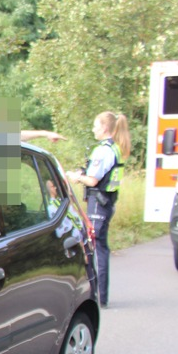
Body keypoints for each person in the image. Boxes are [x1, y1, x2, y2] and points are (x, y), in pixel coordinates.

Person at [66, 112, 130, 307]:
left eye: (95, 126)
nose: (93, 129)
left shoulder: (103, 151)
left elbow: (93, 180)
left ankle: (95, 295)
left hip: (98, 205)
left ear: (104, 128)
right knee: (100, 247)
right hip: (106, 203)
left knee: (94, 248)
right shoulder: (115, 148)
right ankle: (101, 295)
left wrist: (74, 177)